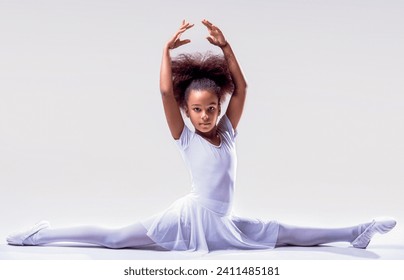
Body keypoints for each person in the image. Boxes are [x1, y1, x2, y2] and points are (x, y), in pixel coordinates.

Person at [6, 19, 396, 252]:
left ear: (219, 106)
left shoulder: (226, 131)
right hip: (189, 220)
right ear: (186, 110)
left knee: (283, 233)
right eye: (197, 110)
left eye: (212, 108)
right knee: (113, 240)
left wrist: (226, 47)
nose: (206, 115)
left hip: (223, 222)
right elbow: (163, 92)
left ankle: (355, 231)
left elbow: (242, 90)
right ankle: (42, 235)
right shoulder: (185, 136)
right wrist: (164, 50)